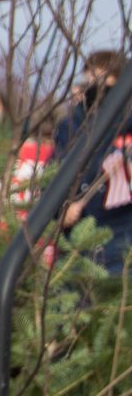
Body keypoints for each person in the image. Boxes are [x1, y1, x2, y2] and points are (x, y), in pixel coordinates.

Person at [58, 50, 132, 276]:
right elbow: (53, 178)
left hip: (122, 243)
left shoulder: (127, 127)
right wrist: (62, 207)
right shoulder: (71, 126)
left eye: (103, 85)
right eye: (89, 82)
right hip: (78, 249)